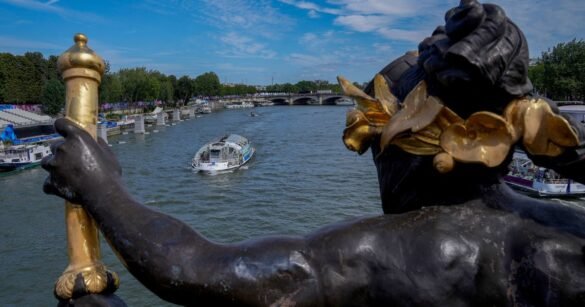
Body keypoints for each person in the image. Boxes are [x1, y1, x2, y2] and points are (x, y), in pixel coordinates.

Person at [43, 1, 585, 305]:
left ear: (419, 134)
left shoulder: (397, 249)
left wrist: (100, 185)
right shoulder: (562, 234)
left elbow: (194, 269)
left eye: (373, 136)